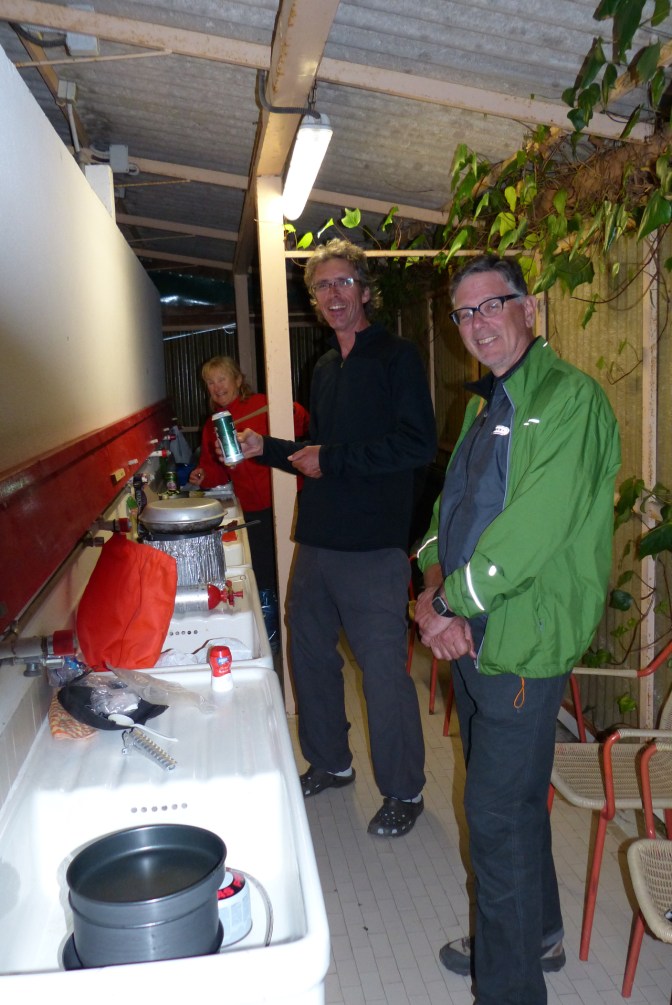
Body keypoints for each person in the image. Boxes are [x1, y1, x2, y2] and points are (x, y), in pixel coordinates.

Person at [414, 254, 621, 1005]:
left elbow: (531, 533)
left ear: (529, 307)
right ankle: (539, 934)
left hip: (522, 647)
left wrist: (449, 606)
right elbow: (451, 507)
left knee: (494, 819)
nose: (477, 324)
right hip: (474, 639)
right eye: (464, 313)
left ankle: (508, 988)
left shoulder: (571, 401)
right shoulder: (485, 403)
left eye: (491, 305)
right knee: (515, 800)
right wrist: (433, 584)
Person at [236, 238, 437, 837]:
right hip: (318, 541)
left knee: (382, 673)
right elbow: (314, 454)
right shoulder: (323, 367)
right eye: (322, 286)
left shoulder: (396, 359)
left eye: (343, 282)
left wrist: (338, 459)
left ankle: (404, 791)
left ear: (365, 289)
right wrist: (265, 450)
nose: (333, 295)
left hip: (373, 545)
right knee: (308, 654)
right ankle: (330, 761)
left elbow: (416, 445)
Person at [189, 356, 309, 598]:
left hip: (288, 500)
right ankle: (272, 630)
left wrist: (292, 410)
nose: (217, 387)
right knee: (264, 573)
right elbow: (215, 470)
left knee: (296, 568)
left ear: (238, 380)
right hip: (252, 510)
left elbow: (301, 425)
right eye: (210, 382)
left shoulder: (263, 404)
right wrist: (202, 476)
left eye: (222, 379)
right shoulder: (211, 425)